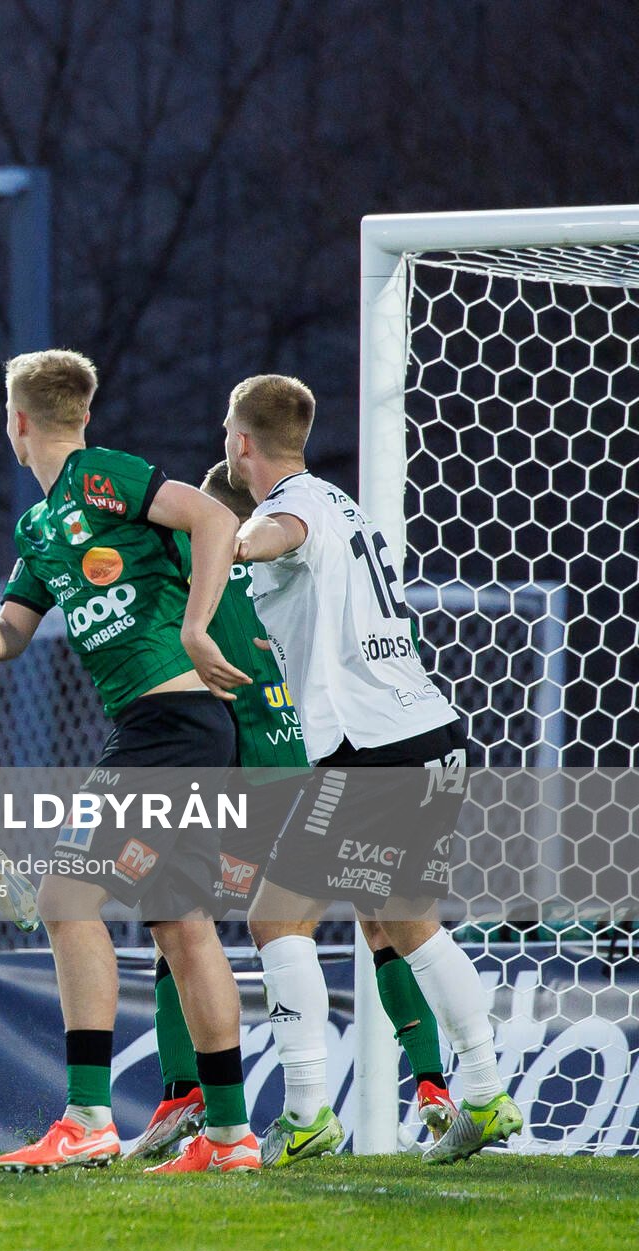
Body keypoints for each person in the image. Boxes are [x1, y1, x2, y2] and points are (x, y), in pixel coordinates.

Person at [0, 349, 259, 1174]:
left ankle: (87, 1118)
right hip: (171, 726)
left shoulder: (98, 476)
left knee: (65, 896)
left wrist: (196, 628)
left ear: (17, 422)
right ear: (79, 409)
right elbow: (16, 632)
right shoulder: (41, 526)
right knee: (183, 926)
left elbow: (215, 520)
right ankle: (230, 1138)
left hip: (168, 723)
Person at [223, 374, 519, 1165]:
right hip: (429, 737)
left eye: (228, 430)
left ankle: (310, 1112)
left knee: (275, 919)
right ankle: (485, 1093)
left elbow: (276, 535)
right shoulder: (345, 505)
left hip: (374, 752)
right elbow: (317, 597)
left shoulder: (293, 505)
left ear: (241, 440)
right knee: (405, 920)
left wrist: (228, 542)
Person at [126, 461, 452, 1162]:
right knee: (383, 914)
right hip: (339, 760)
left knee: (184, 915)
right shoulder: (325, 571)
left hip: (256, 784)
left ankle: (191, 1090)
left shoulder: (199, 579)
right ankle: (436, 1085)